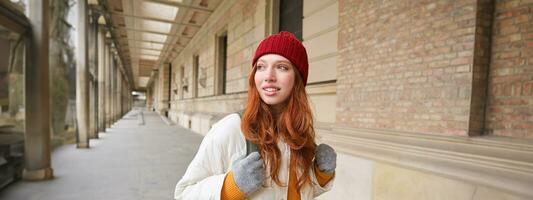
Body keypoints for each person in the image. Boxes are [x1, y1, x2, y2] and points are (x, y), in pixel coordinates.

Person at [174, 31, 337, 199]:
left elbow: (293, 190)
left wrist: (320, 175)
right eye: (261, 66)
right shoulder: (232, 128)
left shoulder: (299, 132)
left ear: (298, 79)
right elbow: (184, 194)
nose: (268, 76)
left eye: (281, 67)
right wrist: (230, 186)